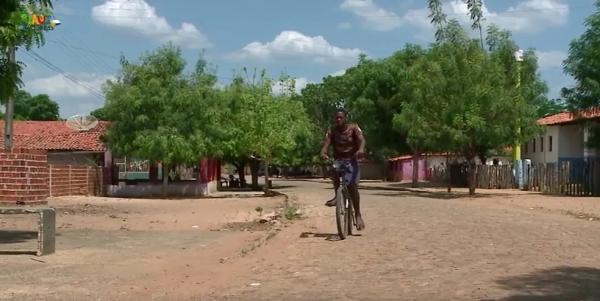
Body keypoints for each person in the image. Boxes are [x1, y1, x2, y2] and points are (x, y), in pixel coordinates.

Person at [320, 109, 366, 231]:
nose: (338, 119)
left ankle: (358, 214)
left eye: (340, 117)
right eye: (336, 118)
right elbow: (326, 143)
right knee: (333, 170)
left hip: (352, 160)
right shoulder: (332, 131)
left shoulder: (354, 128)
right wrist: (323, 152)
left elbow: (361, 140)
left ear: (345, 118)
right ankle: (337, 196)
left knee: (352, 186)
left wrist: (360, 149)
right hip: (338, 160)